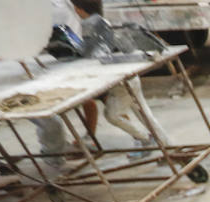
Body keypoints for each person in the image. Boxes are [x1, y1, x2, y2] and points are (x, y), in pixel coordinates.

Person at [70, 0, 171, 157]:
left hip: (121, 81)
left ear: (78, 9)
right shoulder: (104, 21)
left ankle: (146, 139)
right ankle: (167, 148)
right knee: (145, 115)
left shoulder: (90, 25)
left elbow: (92, 55)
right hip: (128, 76)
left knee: (112, 115)